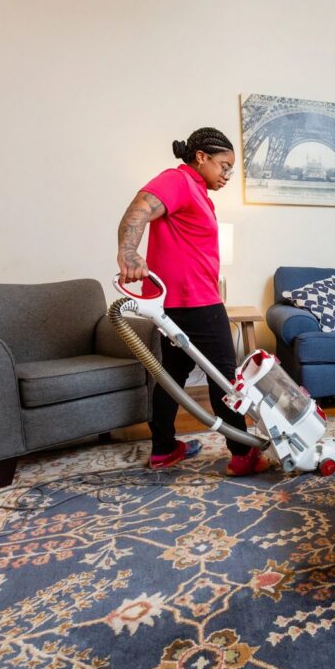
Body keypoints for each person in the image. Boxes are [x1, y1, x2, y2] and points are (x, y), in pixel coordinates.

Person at [116, 127, 267, 475]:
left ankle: (164, 449)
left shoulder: (200, 194)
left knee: (172, 374)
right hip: (196, 303)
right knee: (224, 378)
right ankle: (244, 454)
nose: (227, 174)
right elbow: (140, 207)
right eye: (223, 165)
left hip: (176, 305)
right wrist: (128, 251)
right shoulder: (179, 181)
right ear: (200, 158)